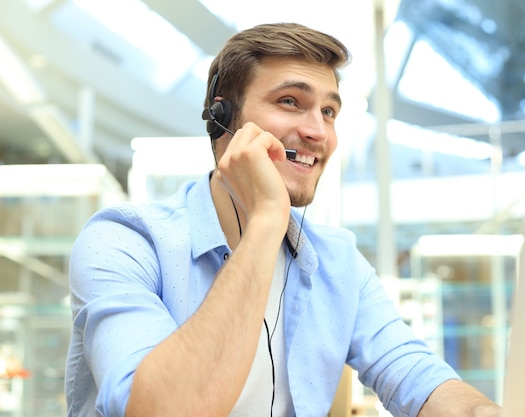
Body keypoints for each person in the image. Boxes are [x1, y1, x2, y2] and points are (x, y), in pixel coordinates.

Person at [65, 22, 502, 417]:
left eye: (329, 112)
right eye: (290, 102)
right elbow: (162, 410)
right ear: (223, 119)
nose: (319, 132)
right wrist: (266, 222)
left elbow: (417, 376)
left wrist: (480, 412)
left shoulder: (336, 259)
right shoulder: (123, 240)